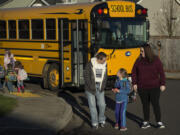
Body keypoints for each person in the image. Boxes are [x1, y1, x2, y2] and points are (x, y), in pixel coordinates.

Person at [132, 45, 166, 129]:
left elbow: (161, 73)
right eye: (140, 51)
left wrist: (162, 84)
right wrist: (134, 83)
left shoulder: (155, 59)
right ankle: (146, 122)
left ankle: (159, 122)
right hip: (142, 87)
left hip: (154, 87)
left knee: (155, 104)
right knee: (145, 105)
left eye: (142, 51)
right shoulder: (138, 60)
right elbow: (134, 72)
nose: (140, 52)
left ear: (147, 51)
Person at [84, 52, 107, 129]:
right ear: (98, 59)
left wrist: (103, 86)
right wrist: (91, 86)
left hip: (100, 87)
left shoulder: (105, 64)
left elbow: (105, 76)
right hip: (90, 88)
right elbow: (86, 76)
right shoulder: (90, 64)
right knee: (92, 106)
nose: (105, 61)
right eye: (103, 60)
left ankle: (101, 120)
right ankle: (94, 123)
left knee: (102, 105)